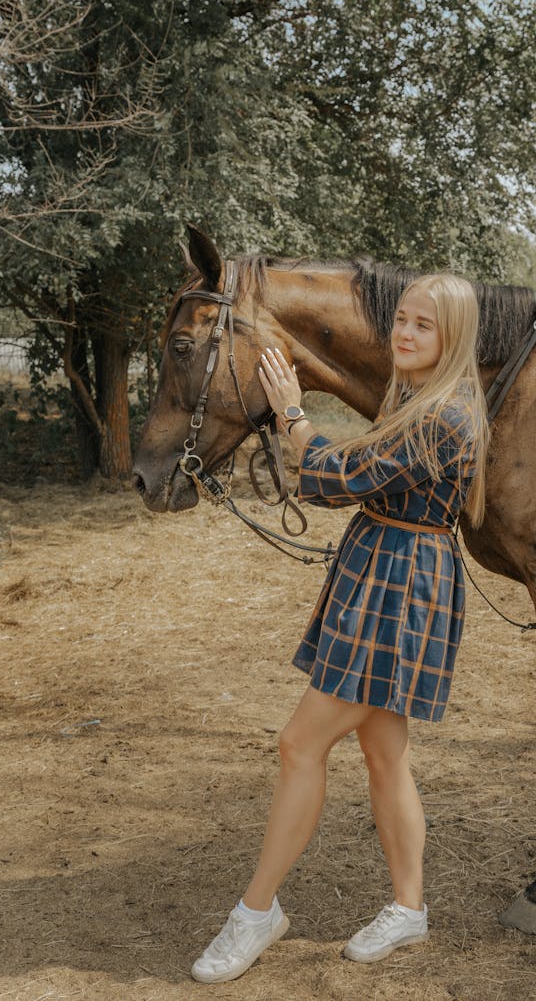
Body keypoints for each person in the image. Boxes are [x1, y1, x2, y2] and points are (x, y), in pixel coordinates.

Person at [191, 272, 490, 985]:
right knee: (385, 755)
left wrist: (291, 412)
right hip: (386, 569)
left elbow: (339, 473)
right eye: (403, 319)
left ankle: (257, 908)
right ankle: (409, 906)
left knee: (300, 742)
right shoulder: (418, 399)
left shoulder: (446, 414)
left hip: (400, 587)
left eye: (424, 325)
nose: (405, 332)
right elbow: (343, 479)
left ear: (454, 339)